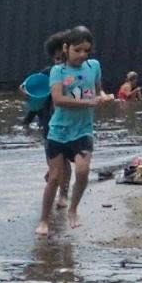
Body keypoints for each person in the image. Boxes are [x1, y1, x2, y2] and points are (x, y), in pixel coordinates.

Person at [38, 25, 111, 234]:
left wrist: (103, 97)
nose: (82, 55)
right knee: (54, 177)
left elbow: (98, 89)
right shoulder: (58, 71)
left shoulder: (94, 66)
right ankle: (44, 219)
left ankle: (73, 209)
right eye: (77, 50)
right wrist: (90, 103)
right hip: (58, 132)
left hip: (83, 131)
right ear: (66, 48)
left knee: (82, 170)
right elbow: (58, 100)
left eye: (86, 51)